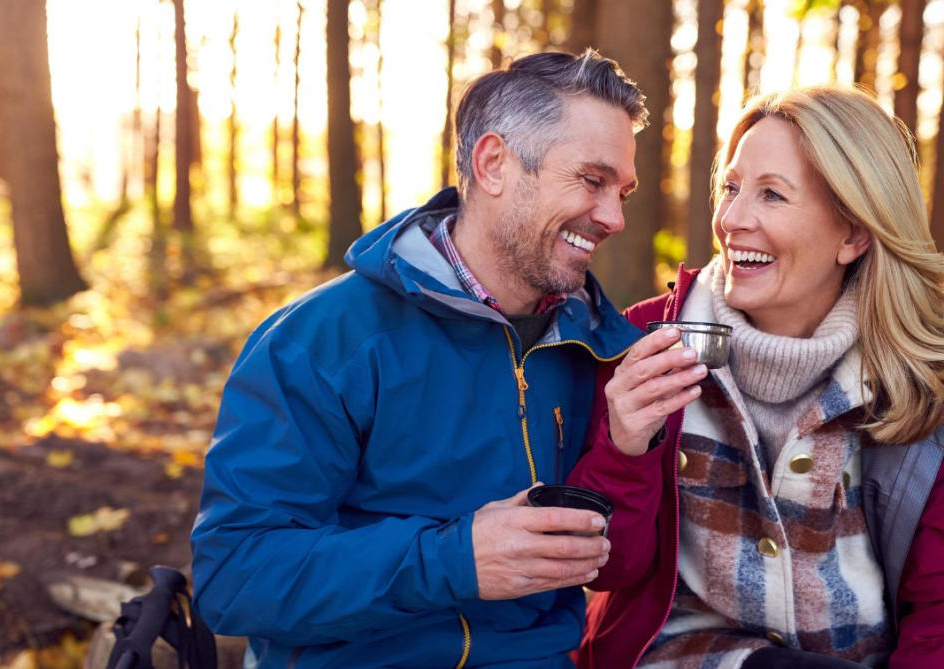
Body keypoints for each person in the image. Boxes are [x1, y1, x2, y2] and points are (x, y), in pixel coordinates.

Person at [190, 50, 647, 668]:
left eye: (622, 191)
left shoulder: (597, 347)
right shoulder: (322, 341)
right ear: (493, 164)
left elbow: (617, 560)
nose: (614, 217)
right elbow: (235, 577)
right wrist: (452, 560)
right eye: (592, 182)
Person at [568, 86, 944, 668]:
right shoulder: (645, 343)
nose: (733, 219)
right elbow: (609, 569)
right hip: (696, 653)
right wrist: (625, 446)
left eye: (772, 195)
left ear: (853, 233)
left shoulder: (938, 386)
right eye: (732, 188)